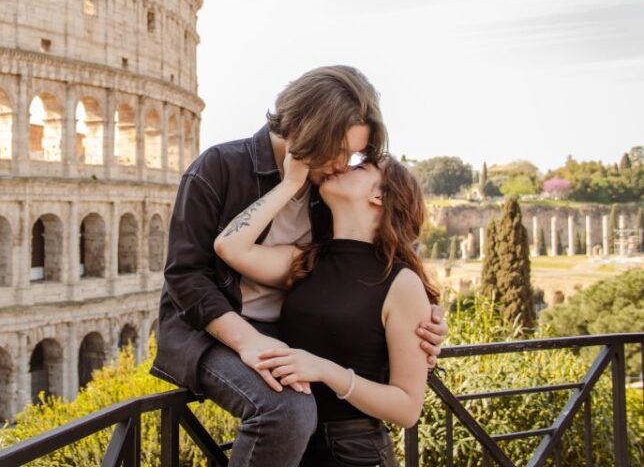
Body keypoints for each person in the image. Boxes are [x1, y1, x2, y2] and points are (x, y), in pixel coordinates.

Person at [151, 66, 448, 466]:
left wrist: (427, 317)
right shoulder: (219, 166)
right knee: (287, 410)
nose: (345, 164)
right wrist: (248, 341)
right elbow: (186, 275)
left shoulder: (327, 191)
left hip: (294, 349)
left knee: (293, 412)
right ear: (311, 132)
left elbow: (387, 251)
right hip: (212, 331)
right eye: (342, 152)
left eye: (355, 157)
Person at [215, 152, 438, 466]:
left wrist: (324, 370)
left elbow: (407, 408)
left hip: (354, 453)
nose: (343, 164)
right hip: (291, 445)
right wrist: (291, 182)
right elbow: (229, 247)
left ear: (379, 195)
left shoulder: (402, 283)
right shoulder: (306, 260)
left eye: (360, 166)